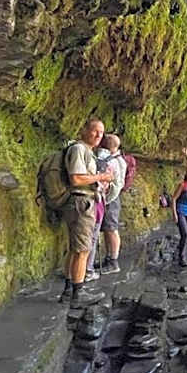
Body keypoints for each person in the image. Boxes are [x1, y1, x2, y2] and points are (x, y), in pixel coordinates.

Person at [60, 118, 113, 306]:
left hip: (83, 201)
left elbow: (85, 178)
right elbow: (75, 179)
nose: (98, 135)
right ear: (84, 130)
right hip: (81, 203)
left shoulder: (87, 151)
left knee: (76, 249)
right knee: (83, 249)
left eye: (101, 133)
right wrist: (102, 176)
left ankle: (69, 290)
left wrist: (100, 182)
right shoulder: (79, 149)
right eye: (95, 131)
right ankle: (78, 294)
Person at [99, 134, 125, 275]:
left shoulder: (116, 161)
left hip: (111, 198)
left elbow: (117, 183)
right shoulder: (115, 159)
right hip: (110, 198)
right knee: (108, 229)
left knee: (111, 229)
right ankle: (108, 258)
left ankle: (113, 262)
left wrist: (107, 199)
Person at [171, 168, 187, 268]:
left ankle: (180, 250)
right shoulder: (182, 185)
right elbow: (174, 199)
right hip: (180, 210)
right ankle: (181, 257)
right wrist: (174, 214)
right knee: (185, 234)